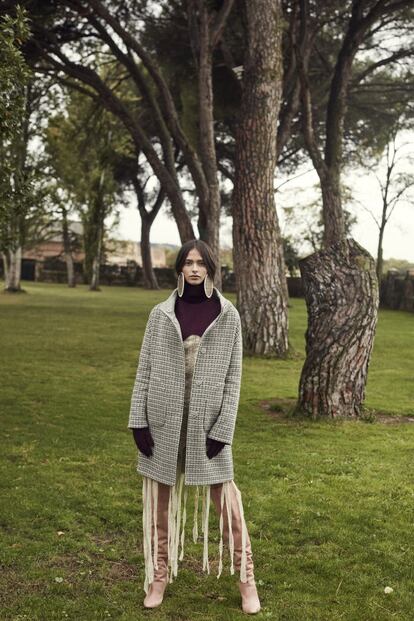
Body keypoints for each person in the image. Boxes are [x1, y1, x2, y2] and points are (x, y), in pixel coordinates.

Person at [128, 239, 261, 614]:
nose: (194, 269)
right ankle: (157, 576)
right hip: (164, 422)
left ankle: (246, 579)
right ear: (179, 269)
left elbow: (234, 379)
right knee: (159, 508)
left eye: (201, 263)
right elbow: (144, 370)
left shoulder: (228, 314)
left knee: (230, 506)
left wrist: (223, 430)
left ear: (210, 269)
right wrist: (139, 421)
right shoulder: (160, 314)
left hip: (207, 427)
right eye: (188, 263)